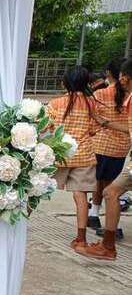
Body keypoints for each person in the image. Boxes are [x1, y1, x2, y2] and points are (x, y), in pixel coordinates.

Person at [45, 67, 99, 253]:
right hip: (83, 156)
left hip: (60, 154)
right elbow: (94, 129)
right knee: (80, 195)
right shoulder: (91, 103)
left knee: (38, 189)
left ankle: (19, 226)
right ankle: (81, 239)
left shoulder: (56, 103)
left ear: (65, 83)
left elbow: (46, 127)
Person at [84, 58, 132, 261]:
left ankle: (108, 244)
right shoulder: (127, 98)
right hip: (121, 150)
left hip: (103, 147)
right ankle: (108, 243)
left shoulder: (105, 95)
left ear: (124, 77)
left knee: (107, 189)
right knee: (110, 190)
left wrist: (101, 123)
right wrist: (106, 123)